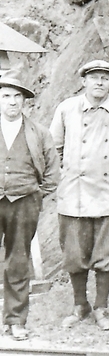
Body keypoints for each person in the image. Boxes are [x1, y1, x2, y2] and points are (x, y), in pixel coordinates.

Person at [51, 60, 109, 330]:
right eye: (94, 78)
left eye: (105, 78)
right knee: (75, 253)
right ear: (84, 81)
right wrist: (68, 176)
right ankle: (80, 305)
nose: (99, 82)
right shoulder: (67, 109)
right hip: (75, 194)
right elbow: (54, 148)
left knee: (107, 252)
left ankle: (101, 306)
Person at [0, 73, 59, 340]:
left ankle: (15, 320)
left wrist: (36, 195)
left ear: (24, 101)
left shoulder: (38, 132)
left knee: (18, 261)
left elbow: (52, 172)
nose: (12, 102)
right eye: (6, 96)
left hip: (24, 202)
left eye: (17, 97)